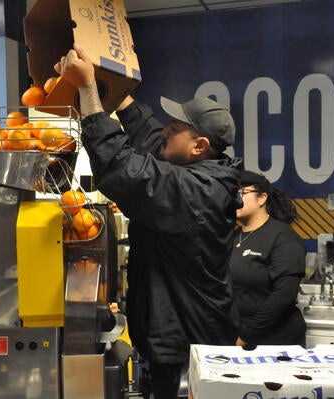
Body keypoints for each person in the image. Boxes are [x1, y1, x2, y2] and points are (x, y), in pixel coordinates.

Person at [55, 44, 242, 399]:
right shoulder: (193, 166)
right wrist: (117, 93)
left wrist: (88, 92)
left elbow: (123, 169)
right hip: (176, 338)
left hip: (188, 346)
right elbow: (153, 138)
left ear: (199, 146)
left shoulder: (198, 190)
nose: (166, 131)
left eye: (176, 127)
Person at [230, 170, 306, 349]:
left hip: (275, 341)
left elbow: (284, 295)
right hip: (238, 336)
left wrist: (246, 336)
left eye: (241, 193)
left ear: (262, 198)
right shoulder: (233, 237)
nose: (234, 199)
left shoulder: (283, 237)